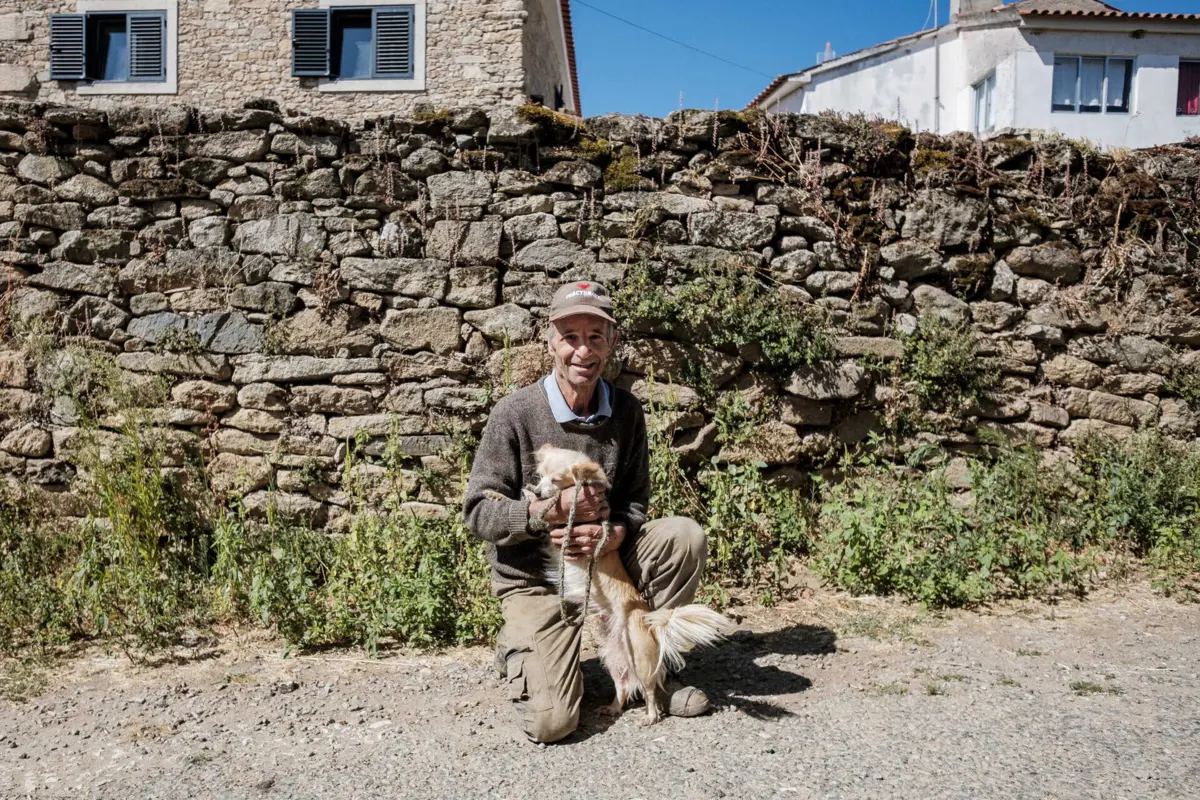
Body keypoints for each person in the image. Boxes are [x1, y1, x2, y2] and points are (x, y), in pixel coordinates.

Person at [464, 280, 711, 744]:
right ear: (550, 341)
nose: (583, 350)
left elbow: (636, 501)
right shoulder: (514, 414)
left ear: (612, 342)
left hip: (605, 569)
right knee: (552, 722)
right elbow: (479, 512)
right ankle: (521, 648)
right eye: (570, 336)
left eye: (596, 336)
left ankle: (652, 672)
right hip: (537, 577)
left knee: (684, 536)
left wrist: (616, 532)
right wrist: (543, 513)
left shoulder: (626, 411)